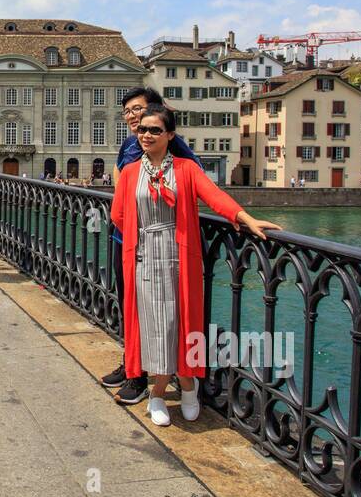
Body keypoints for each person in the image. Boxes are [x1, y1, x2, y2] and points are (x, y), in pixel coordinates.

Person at [111, 104, 281, 424]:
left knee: (180, 323)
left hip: (179, 256)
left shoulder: (187, 169)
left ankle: (186, 384)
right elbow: (118, 214)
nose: (146, 135)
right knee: (153, 325)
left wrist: (245, 218)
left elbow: (215, 197)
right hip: (145, 257)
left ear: (170, 135)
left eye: (154, 130)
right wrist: (142, 236)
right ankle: (163, 390)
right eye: (142, 130)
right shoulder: (132, 171)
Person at [102, 87, 206, 397]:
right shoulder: (129, 145)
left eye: (138, 110)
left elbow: (196, 174)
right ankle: (132, 363)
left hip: (162, 246)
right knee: (130, 305)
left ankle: (148, 377)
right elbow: (120, 176)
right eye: (128, 113)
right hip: (126, 239)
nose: (133, 117)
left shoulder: (173, 147)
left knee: (159, 310)